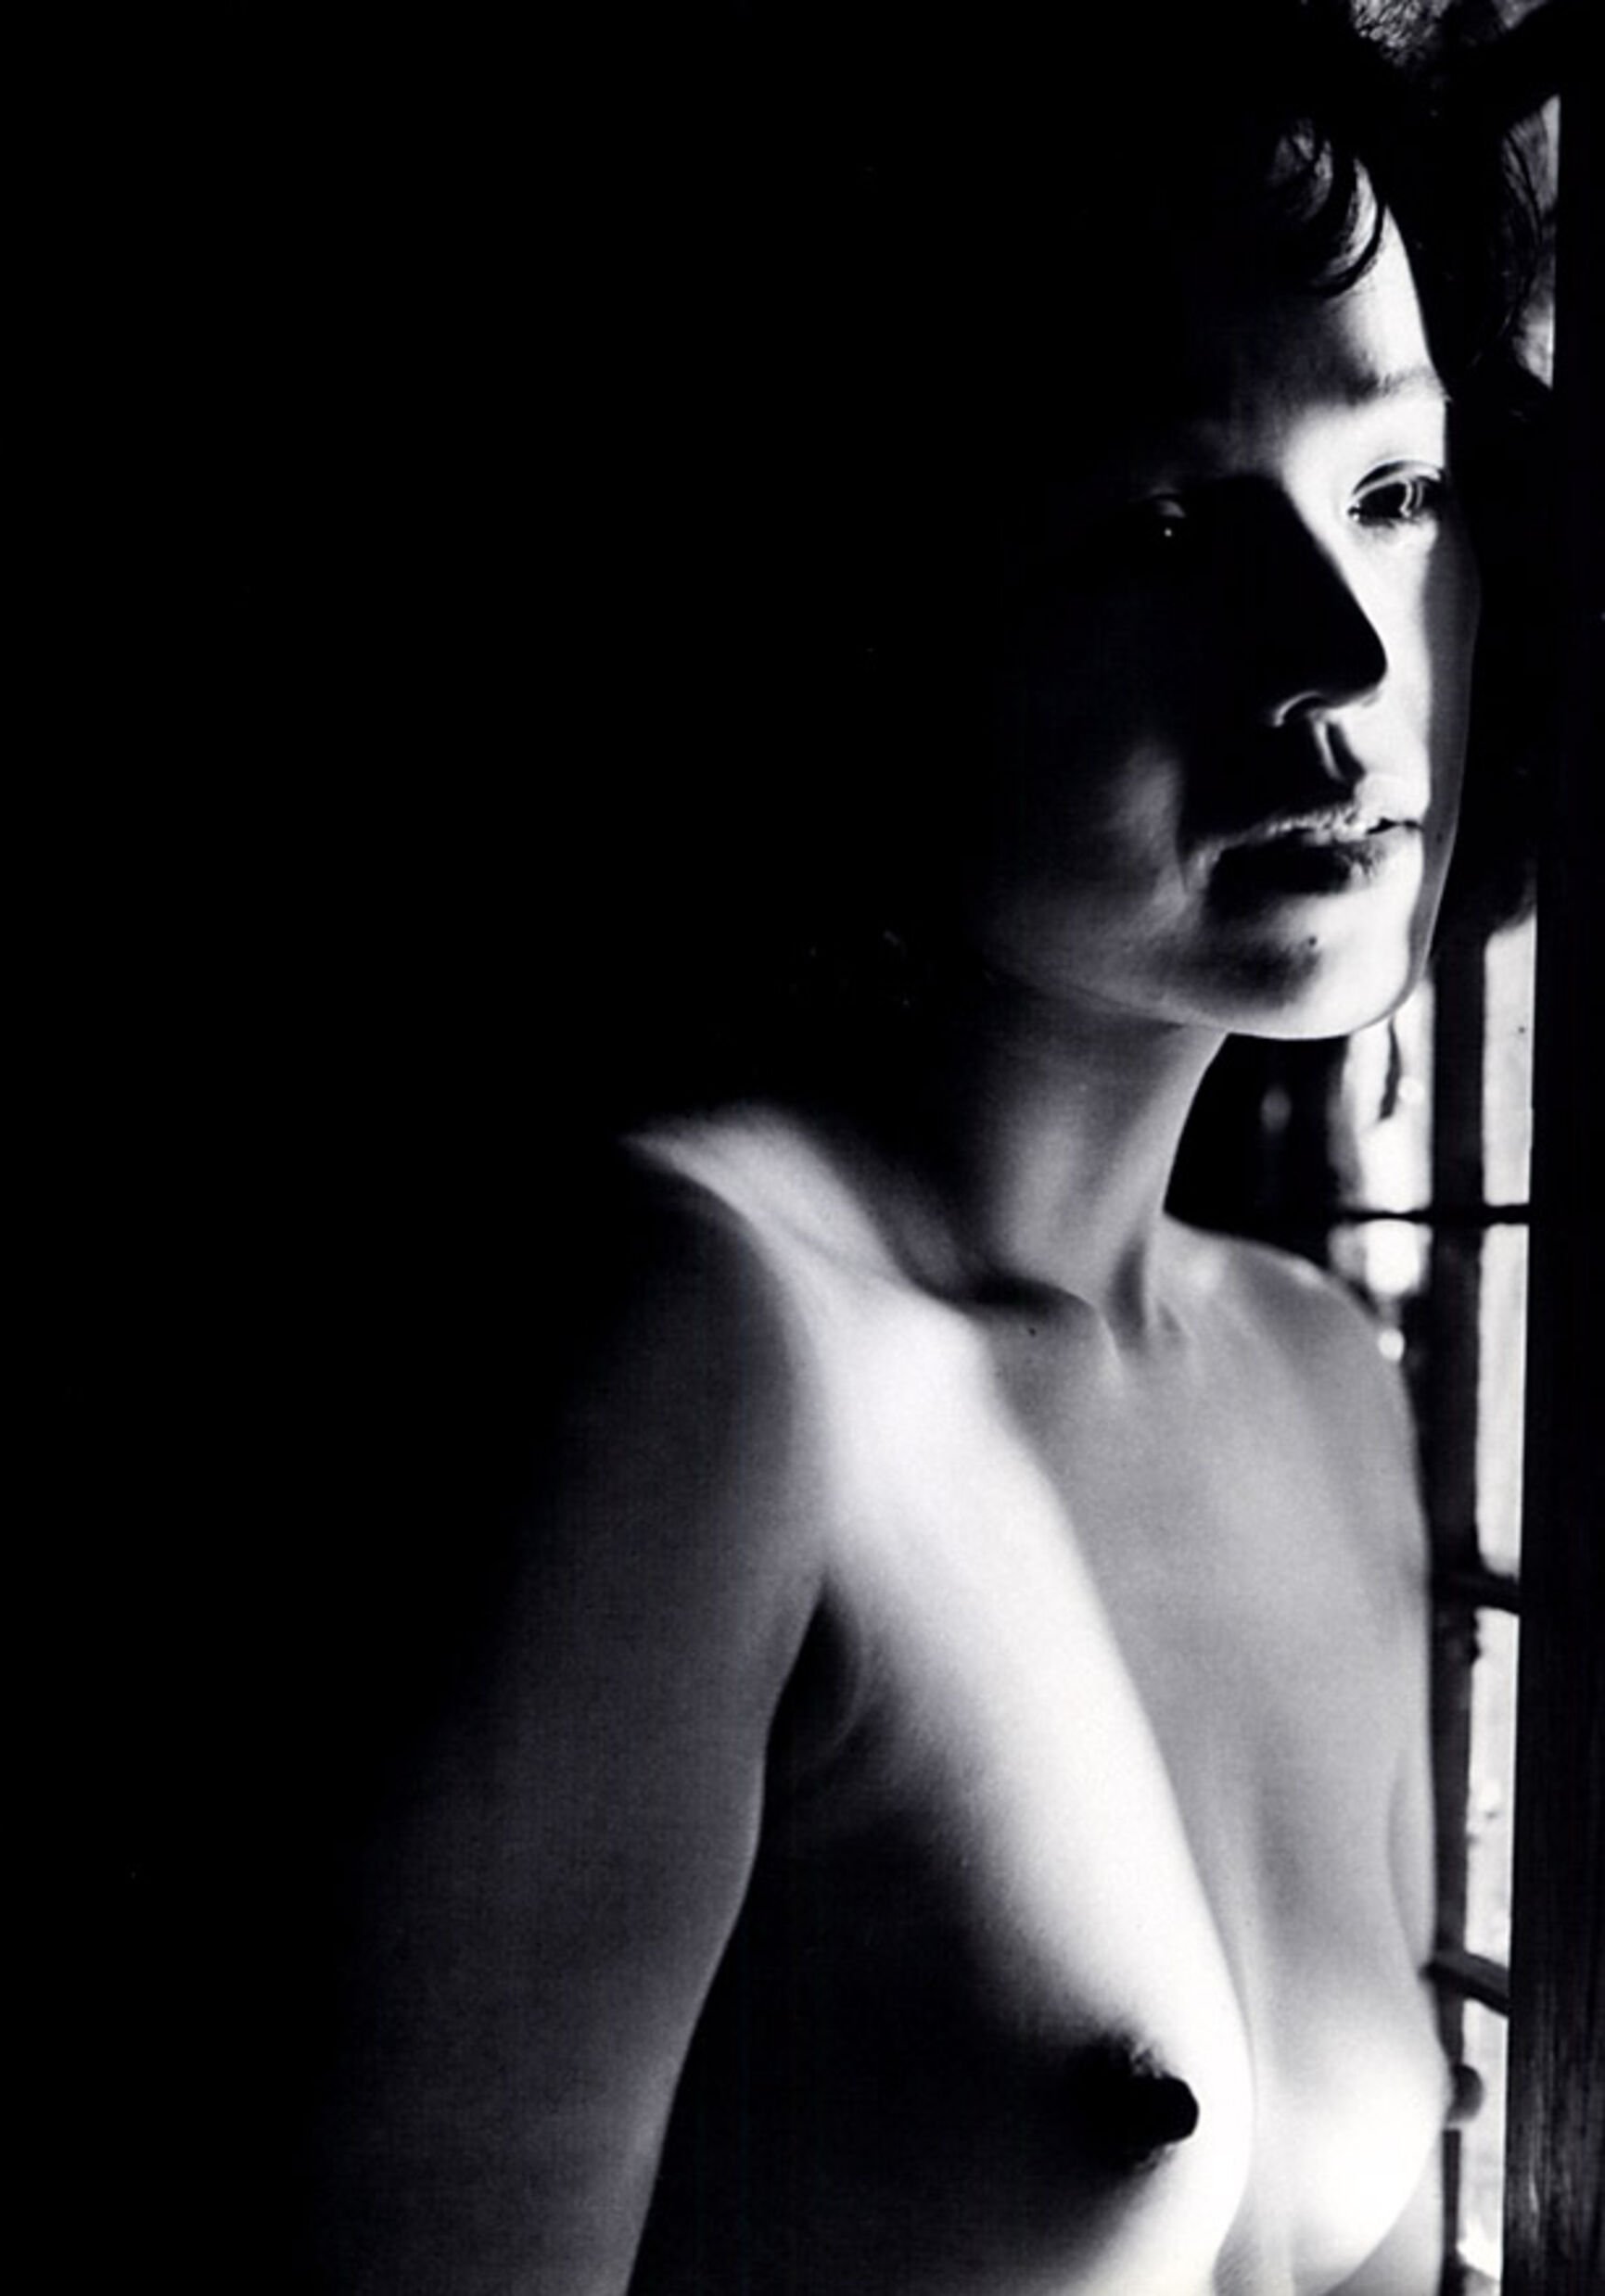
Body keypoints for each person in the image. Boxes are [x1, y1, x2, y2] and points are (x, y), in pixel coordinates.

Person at [301, 3, 1550, 2289]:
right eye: (1165, 525)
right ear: (878, 613)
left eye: (1395, 494)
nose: (1342, 658)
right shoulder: (697, 1347)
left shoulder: (1316, 1378)